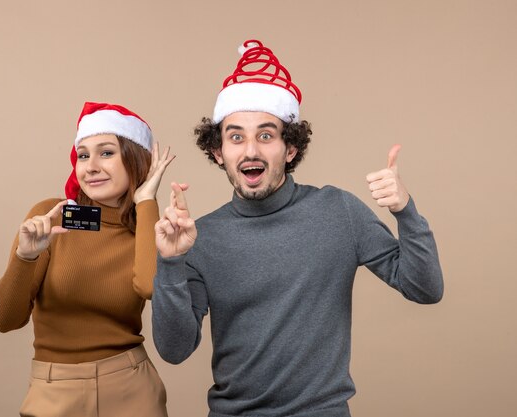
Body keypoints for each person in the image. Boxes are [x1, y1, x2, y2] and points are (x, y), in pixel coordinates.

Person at [152, 40, 444, 417]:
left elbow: (426, 289)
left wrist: (405, 211)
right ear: (218, 152)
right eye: (236, 137)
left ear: (290, 149)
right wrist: (171, 262)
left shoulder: (339, 211)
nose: (251, 150)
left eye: (266, 135)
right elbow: (174, 350)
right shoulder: (197, 237)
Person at [0, 102, 173, 417]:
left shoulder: (147, 228)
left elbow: (149, 286)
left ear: (135, 159)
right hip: (55, 390)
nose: (90, 167)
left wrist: (146, 201)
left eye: (106, 153)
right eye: (84, 155)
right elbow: (4, 319)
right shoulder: (52, 217)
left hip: (132, 389)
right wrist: (25, 256)